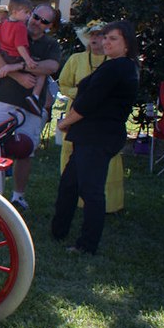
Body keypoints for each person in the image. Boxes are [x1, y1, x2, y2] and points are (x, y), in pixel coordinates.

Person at [52, 20, 139, 254]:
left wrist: (64, 122)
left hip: (98, 136)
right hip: (91, 136)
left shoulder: (117, 67)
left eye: (113, 39)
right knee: (69, 184)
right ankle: (57, 231)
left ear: (127, 45)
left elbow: (89, 103)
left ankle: (87, 245)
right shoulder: (118, 66)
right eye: (105, 37)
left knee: (91, 191)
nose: (106, 42)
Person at [0, 3, 62, 211]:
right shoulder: (11, 28)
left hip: (31, 105)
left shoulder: (51, 44)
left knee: (26, 150)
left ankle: (18, 196)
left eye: (44, 21)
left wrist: (18, 66)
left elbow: (51, 67)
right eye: (35, 16)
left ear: (49, 26)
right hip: (2, 98)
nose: (37, 22)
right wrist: (20, 76)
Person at [58, 19, 124, 213]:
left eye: (100, 35)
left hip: (102, 122)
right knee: (71, 155)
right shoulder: (76, 59)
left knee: (106, 163)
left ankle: (108, 203)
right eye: (93, 35)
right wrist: (79, 95)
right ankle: (71, 199)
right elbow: (63, 84)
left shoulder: (115, 63)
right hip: (75, 114)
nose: (96, 39)